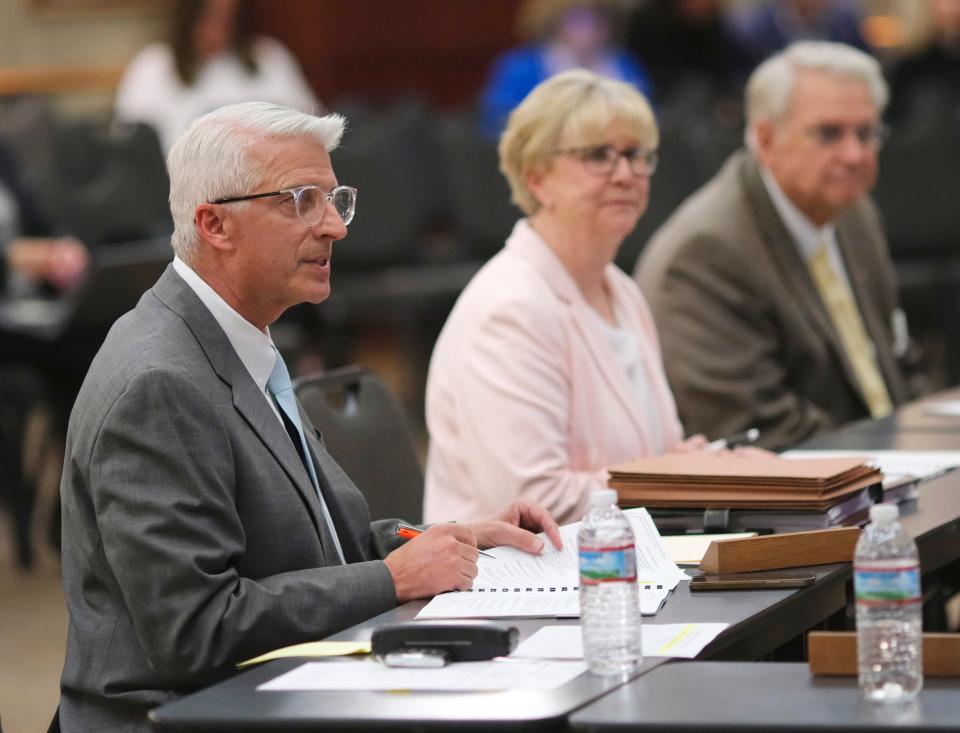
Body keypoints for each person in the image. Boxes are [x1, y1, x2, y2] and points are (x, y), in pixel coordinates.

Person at [56, 101, 562, 733]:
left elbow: (317, 542)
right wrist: (390, 580)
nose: (334, 227)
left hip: (279, 691)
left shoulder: (237, 340)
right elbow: (195, 628)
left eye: (333, 198)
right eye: (300, 200)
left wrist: (449, 539)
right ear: (214, 224)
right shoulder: (160, 382)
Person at [424, 70, 707, 527]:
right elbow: (532, 502)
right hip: (518, 580)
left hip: (620, 557)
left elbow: (662, 452)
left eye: (637, 155)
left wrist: (709, 466)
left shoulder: (622, 289)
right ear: (537, 178)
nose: (626, 174)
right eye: (598, 156)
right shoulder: (510, 307)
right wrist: (676, 476)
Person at [636, 41, 925, 452]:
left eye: (867, 133)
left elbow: (900, 365)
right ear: (766, 140)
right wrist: (894, 464)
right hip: (799, 500)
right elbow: (756, 427)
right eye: (829, 134)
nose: (855, 154)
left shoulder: (854, 214)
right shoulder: (707, 252)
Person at [114, 0, 317, 151]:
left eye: (228, 19)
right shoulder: (153, 66)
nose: (218, 31)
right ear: (188, 17)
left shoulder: (269, 58)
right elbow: (133, 144)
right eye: (208, 17)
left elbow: (310, 126)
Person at [478, 0, 652, 137]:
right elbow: (497, 126)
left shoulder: (624, 64)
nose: (591, 28)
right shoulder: (521, 68)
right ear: (554, 20)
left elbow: (650, 123)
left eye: (601, 17)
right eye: (578, 18)